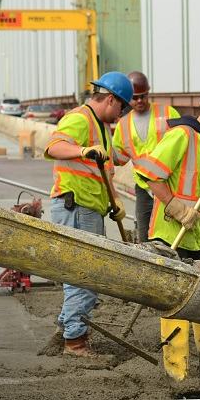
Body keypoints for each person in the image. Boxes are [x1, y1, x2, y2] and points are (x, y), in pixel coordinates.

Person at [133, 86, 200, 381]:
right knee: (174, 299)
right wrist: (175, 206)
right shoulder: (182, 135)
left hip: (197, 235)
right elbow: (149, 175)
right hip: (172, 233)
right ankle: (176, 370)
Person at [44, 71, 133, 357]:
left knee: (83, 273)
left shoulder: (102, 128)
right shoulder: (80, 118)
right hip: (76, 206)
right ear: (111, 99)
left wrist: (114, 199)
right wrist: (83, 150)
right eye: (122, 108)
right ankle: (75, 342)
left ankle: (65, 330)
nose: (120, 115)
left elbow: (104, 170)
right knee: (84, 274)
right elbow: (53, 147)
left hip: (89, 208)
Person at [111, 71, 179, 242]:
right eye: (135, 97)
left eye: (143, 96)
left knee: (171, 234)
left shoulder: (167, 112)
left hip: (169, 184)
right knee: (145, 234)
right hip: (144, 187)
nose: (140, 100)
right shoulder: (123, 124)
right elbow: (119, 158)